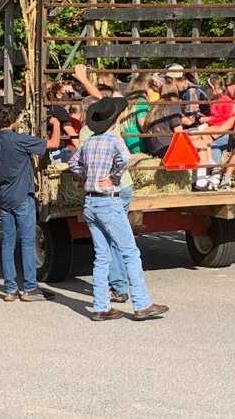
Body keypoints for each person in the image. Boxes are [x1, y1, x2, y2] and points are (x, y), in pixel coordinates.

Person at [68, 97, 169, 321]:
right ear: (114, 121)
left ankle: (100, 306)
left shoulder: (88, 142)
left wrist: (86, 176)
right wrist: (112, 176)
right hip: (108, 200)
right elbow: (125, 159)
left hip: (90, 203)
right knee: (130, 252)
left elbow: (72, 163)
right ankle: (142, 304)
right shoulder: (113, 140)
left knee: (101, 256)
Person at [0, 104, 62, 302]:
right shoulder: (19, 140)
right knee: (27, 241)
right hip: (22, 196)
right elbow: (53, 143)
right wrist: (57, 123)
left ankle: (10, 289)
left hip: (4, 197)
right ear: (14, 120)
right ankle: (30, 288)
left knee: (8, 242)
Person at [143, 83, 216, 190]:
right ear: (176, 93)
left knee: (196, 137)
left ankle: (196, 180)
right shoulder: (173, 106)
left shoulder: (156, 107)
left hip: (154, 149)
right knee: (202, 144)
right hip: (167, 149)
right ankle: (201, 181)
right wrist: (194, 136)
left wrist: (193, 135)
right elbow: (180, 136)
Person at [119, 73, 153, 154]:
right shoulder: (141, 101)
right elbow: (143, 125)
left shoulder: (128, 101)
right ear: (147, 88)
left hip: (128, 145)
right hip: (139, 146)